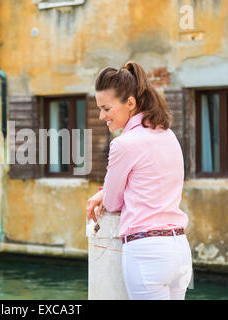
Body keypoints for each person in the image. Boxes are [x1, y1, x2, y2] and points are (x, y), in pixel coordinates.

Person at [85, 61, 193, 300]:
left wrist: (105, 192)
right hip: (179, 248)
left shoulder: (124, 144)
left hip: (147, 252)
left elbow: (112, 203)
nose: (102, 116)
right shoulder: (168, 135)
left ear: (130, 103)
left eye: (106, 108)